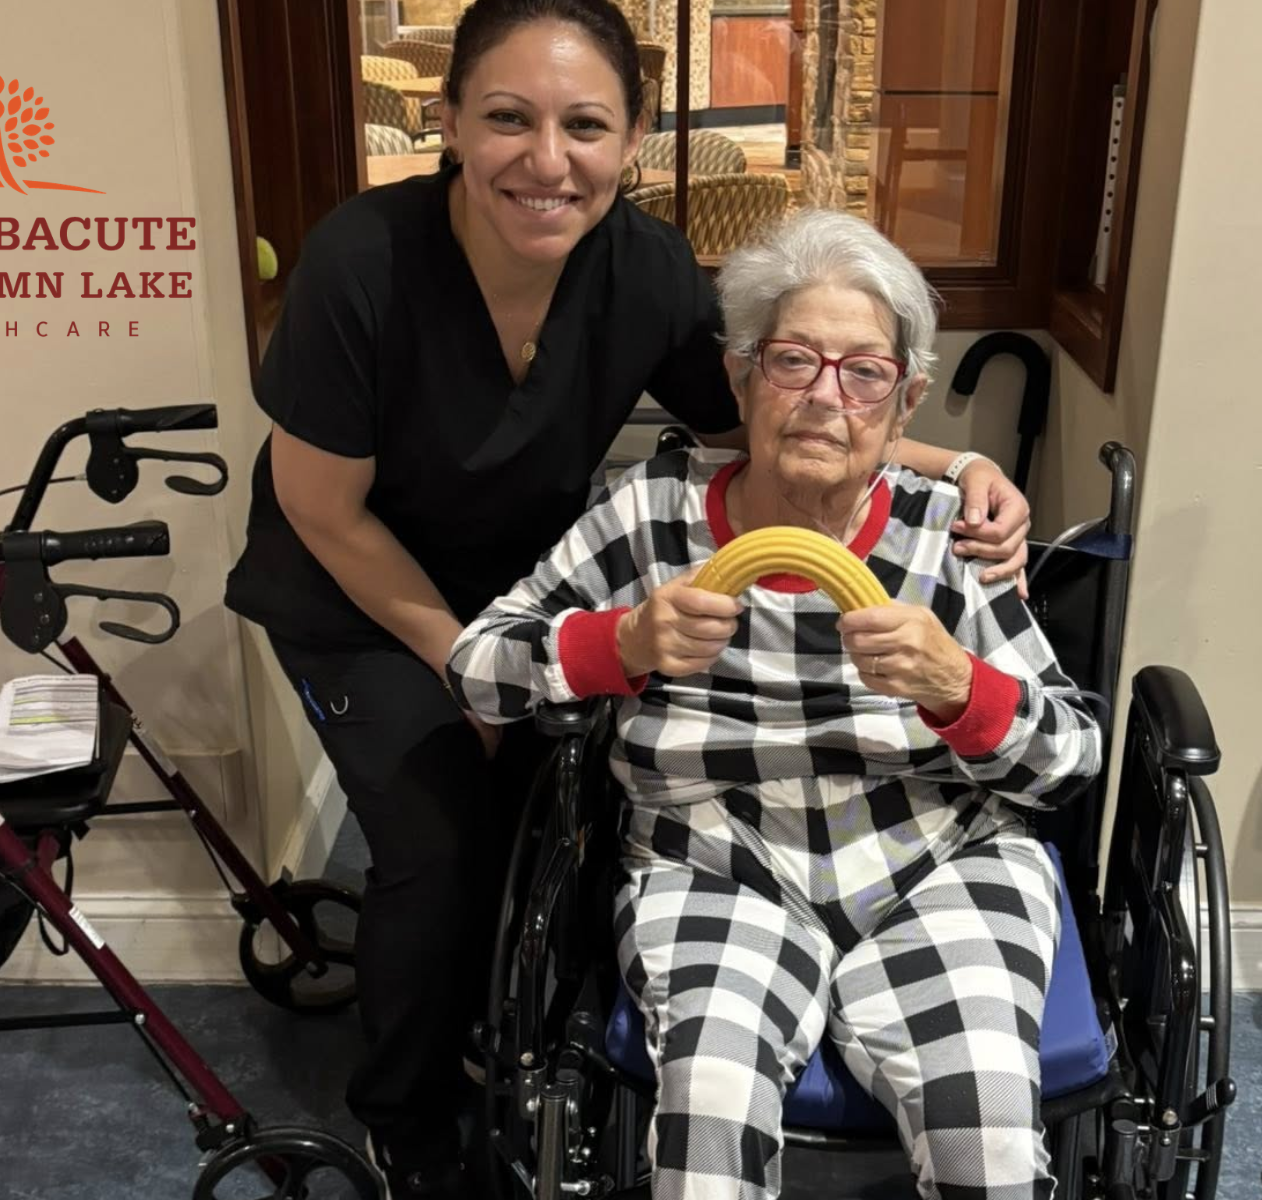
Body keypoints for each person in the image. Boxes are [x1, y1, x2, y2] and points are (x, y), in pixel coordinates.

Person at [224, 1, 1033, 1194]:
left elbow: (785, 416)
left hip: (520, 583)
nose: (546, 161)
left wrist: (956, 464)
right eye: (506, 118)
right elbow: (325, 511)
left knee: (554, 805)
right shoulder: (363, 264)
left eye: (584, 126)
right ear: (448, 122)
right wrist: (476, 675)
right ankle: (410, 1117)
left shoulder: (644, 270)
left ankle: (518, 1031)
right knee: (443, 833)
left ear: (633, 138)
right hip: (358, 591)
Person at [447, 208, 1101, 1200]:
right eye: (793, 361)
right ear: (742, 376)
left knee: (988, 1133)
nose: (824, 398)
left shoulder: (945, 538)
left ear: (905, 400)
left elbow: (1069, 756)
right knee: (706, 1126)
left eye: (864, 372)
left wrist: (960, 688)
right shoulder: (650, 516)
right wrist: (619, 643)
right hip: (718, 858)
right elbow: (477, 663)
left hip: (938, 857)